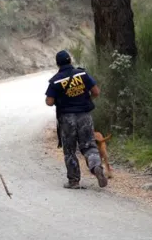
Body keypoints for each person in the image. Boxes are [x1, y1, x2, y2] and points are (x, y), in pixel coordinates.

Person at [46, 51, 108, 189]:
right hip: (84, 115)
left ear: (58, 63)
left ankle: (74, 181)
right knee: (89, 146)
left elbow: (49, 102)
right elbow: (96, 92)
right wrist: (85, 101)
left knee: (69, 150)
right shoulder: (82, 74)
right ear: (70, 61)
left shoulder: (55, 81)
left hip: (67, 118)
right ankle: (96, 166)